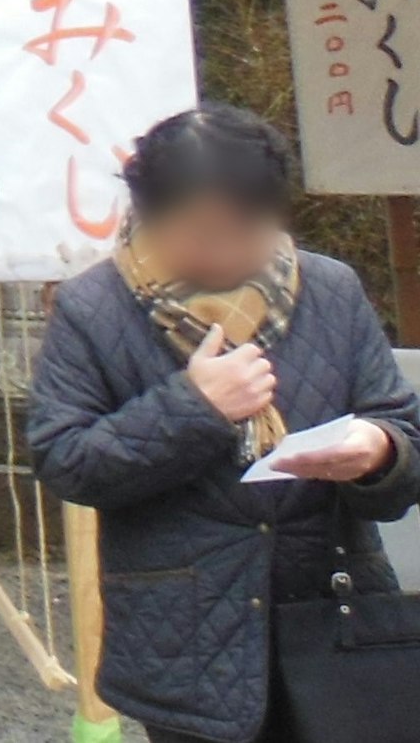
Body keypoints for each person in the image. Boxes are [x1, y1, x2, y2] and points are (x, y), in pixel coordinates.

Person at [29, 103, 420, 743]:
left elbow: (402, 432)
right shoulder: (92, 308)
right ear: (149, 217)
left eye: (247, 229)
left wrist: (378, 452)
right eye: (202, 234)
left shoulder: (330, 289)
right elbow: (66, 461)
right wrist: (195, 407)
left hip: (337, 614)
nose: (228, 251)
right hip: (184, 636)